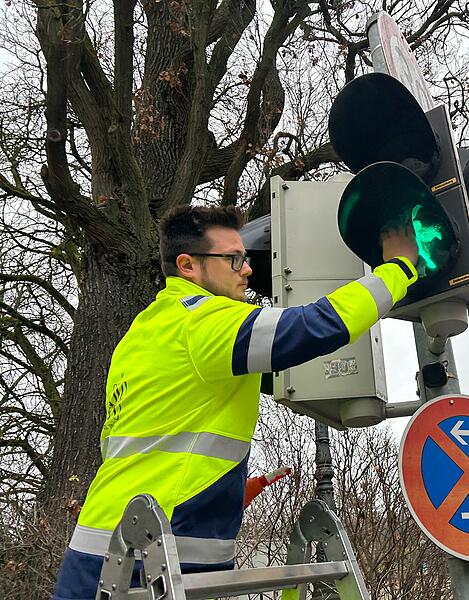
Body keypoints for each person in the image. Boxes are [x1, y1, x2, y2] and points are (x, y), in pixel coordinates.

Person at [52, 204, 419, 600]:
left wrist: (222, 493)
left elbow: (149, 444)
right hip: (155, 553)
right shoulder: (205, 321)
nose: (246, 269)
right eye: (234, 259)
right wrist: (398, 268)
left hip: (105, 546)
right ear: (188, 265)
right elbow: (315, 326)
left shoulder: (146, 331)